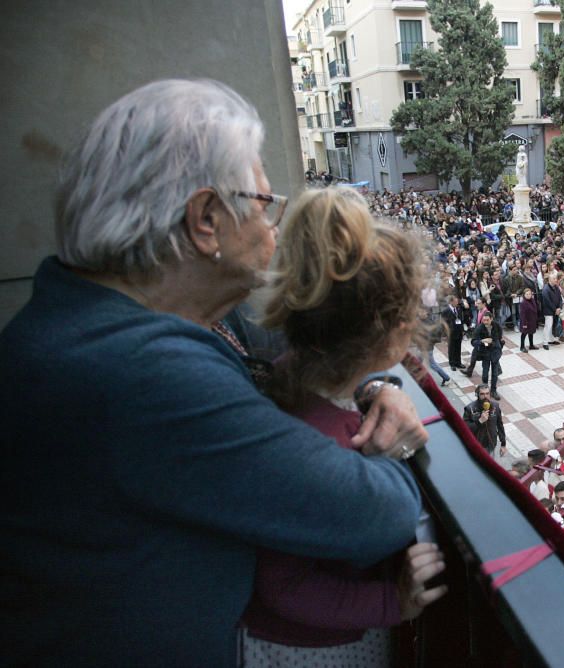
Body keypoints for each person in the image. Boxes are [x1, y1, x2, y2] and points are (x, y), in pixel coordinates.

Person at [0, 79, 425, 665]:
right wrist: (394, 452)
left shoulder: (109, 319)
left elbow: (316, 350)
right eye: (261, 204)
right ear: (206, 219)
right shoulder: (141, 373)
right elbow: (379, 512)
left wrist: (375, 384)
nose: (274, 228)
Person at [243, 187, 447, 664]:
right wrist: (393, 601)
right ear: (394, 333)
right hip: (308, 650)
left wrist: (375, 389)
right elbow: (283, 585)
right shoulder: (318, 450)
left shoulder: (296, 378)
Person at [463, 384, 507, 457]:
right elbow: (464, 428)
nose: (485, 396)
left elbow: (500, 425)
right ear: (477, 395)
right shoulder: (470, 408)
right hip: (476, 445)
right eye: (482, 394)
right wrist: (479, 421)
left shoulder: (495, 406)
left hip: (491, 443)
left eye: (487, 393)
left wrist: (503, 444)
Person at [468, 311, 504, 400]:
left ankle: (493, 391)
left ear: (491, 319)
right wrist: (482, 341)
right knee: (485, 374)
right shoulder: (479, 328)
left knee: (495, 374)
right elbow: (473, 341)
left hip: (495, 352)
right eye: (484, 320)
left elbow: (499, 338)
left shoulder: (496, 325)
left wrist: (497, 346)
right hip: (485, 353)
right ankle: (485, 391)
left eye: (487, 320)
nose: (485, 322)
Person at [442, 293, 468, 371]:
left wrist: (462, 330)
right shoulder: (446, 311)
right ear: (451, 302)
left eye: (457, 301)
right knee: (451, 348)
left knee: (458, 347)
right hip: (451, 333)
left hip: (458, 331)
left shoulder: (458, 309)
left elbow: (461, 320)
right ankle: (452, 363)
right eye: (455, 302)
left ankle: (458, 362)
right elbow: (443, 323)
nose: (457, 303)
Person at [541, 271, 564, 350]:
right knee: (548, 326)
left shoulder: (556, 287)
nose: (556, 280)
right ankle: (545, 342)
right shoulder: (546, 289)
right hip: (548, 311)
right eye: (554, 279)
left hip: (556, 310)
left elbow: (560, 299)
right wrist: (555, 309)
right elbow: (547, 302)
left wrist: (559, 307)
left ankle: (551, 340)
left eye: (556, 278)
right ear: (550, 280)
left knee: (553, 325)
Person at [519, 287, 540, 352]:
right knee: (524, 334)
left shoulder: (533, 300)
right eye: (527, 294)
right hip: (526, 321)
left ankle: (531, 345)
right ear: (524, 295)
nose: (528, 295)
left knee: (531, 333)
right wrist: (524, 324)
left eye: (529, 294)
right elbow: (523, 315)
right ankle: (522, 347)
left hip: (532, 320)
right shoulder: (523, 303)